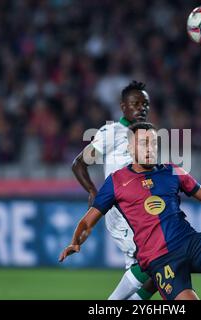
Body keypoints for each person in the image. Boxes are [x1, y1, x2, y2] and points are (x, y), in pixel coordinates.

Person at [61, 122, 201, 300]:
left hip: (189, 242)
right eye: (143, 143)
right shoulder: (116, 181)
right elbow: (88, 222)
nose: (150, 149)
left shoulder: (172, 170)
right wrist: (75, 242)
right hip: (160, 259)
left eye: (153, 143)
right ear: (130, 148)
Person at [71, 81, 156, 300]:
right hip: (122, 213)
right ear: (123, 107)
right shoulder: (112, 132)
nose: (142, 108)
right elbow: (79, 164)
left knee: (158, 270)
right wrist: (92, 191)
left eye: (145, 104)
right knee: (154, 261)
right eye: (136, 103)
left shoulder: (146, 135)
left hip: (144, 212)